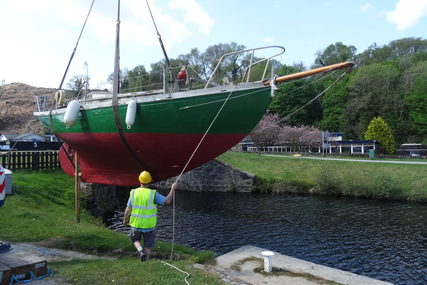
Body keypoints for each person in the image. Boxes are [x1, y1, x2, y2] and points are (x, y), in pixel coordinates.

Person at [123, 170, 177, 262]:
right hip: (149, 226)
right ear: (150, 181)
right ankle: (145, 261)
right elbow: (167, 201)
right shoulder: (153, 194)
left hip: (136, 224)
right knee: (148, 245)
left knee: (135, 239)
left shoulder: (133, 193)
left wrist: (125, 220)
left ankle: (140, 251)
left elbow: (128, 209)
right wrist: (172, 189)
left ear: (139, 180)